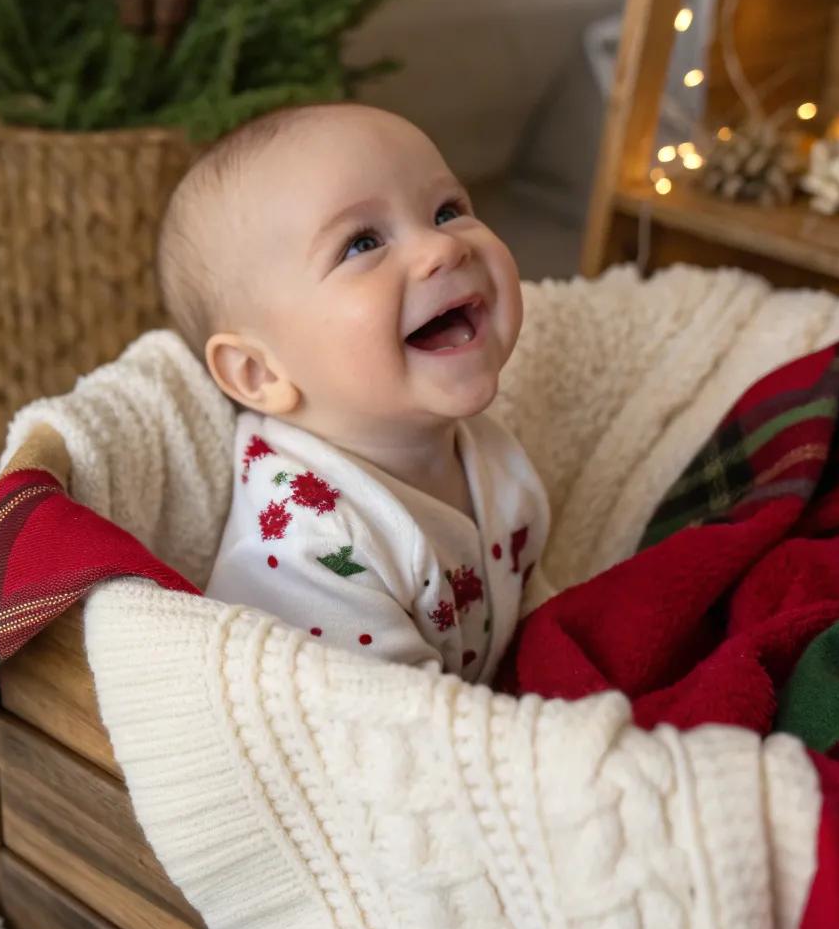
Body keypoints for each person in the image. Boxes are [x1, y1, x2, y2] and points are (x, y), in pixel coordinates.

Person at [157, 102, 548, 680]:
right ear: (258, 373)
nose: (443, 248)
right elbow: (385, 733)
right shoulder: (310, 546)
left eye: (446, 211)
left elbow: (537, 602)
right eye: (362, 244)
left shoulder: (481, 449)